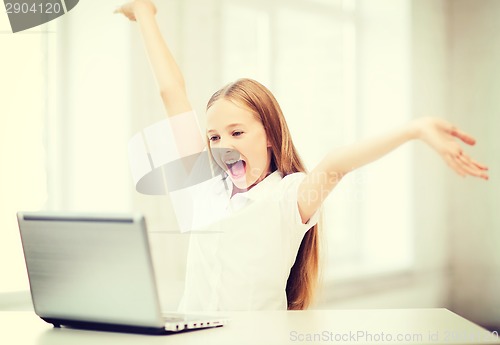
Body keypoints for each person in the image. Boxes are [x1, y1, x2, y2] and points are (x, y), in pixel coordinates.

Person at [115, 0, 489, 312]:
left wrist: (415, 130)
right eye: (213, 136)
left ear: (270, 139)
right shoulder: (203, 185)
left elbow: (338, 163)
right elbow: (172, 93)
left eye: (237, 132)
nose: (222, 144)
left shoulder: (289, 197)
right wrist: (145, 15)